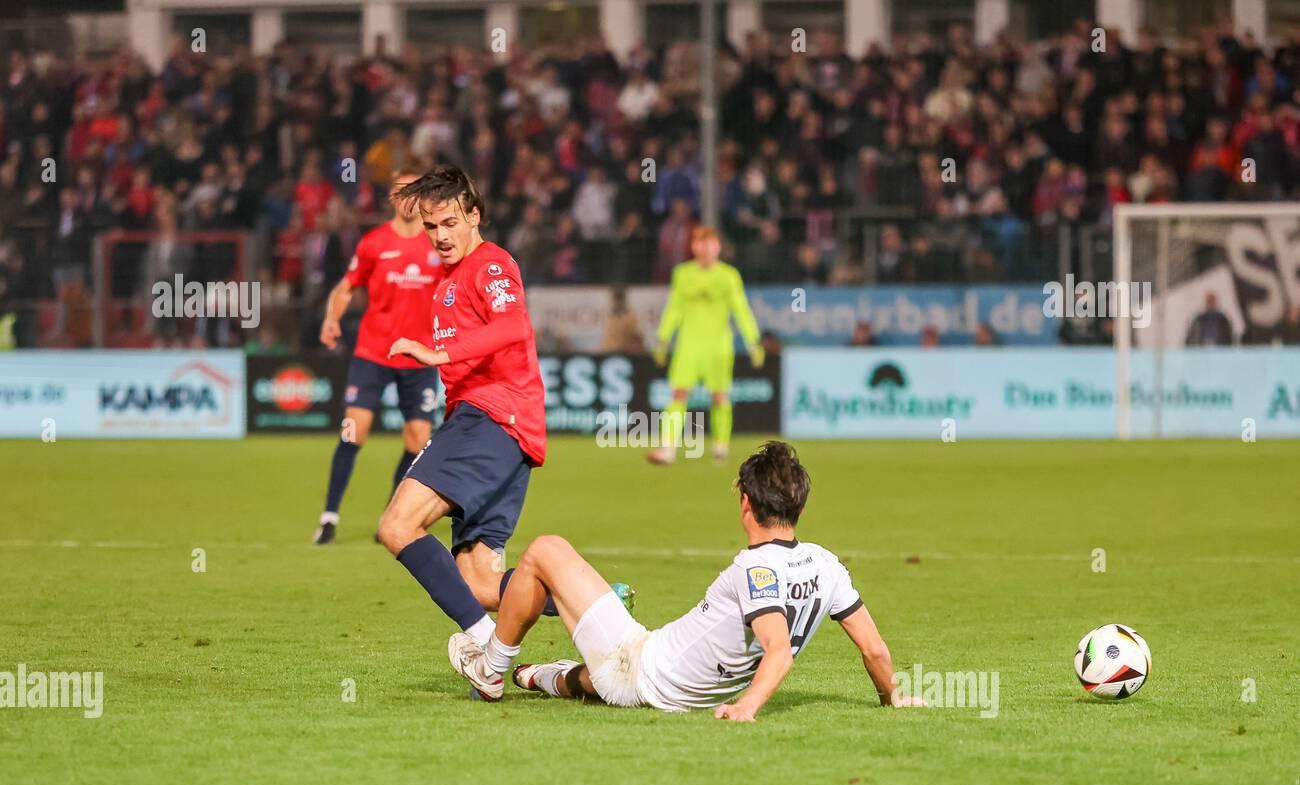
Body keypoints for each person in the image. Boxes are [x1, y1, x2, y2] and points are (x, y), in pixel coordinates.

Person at [447, 442, 923, 718]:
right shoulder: (828, 565)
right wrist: (891, 696)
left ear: (746, 505)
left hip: (640, 666)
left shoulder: (753, 570)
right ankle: (542, 675)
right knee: (591, 678)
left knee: (544, 551)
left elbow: (777, 649)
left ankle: (491, 670)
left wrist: (748, 707)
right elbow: (874, 650)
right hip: (664, 677)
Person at [378, 165, 631, 647]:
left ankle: (482, 647)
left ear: (474, 216)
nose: (440, 236)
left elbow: (514, 325)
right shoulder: (445, 285)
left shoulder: (490, 265)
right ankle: (600, 600)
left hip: (493, 418)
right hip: (498, 432)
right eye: (431, 227)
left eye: (450, 222)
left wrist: (439, 354)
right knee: (476, 584)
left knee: (397, 525)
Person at [312, 168, 441, 545]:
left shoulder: (438, 243)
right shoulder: (374, 243)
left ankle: (389, 518)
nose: (407, 198)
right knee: (355, 429)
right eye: (400, 192)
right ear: (392, 199)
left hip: (418, 358)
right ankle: (329, 517)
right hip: (373, 353)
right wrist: (331, 318)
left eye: (413, 191)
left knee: (418, 440)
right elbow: (346, 286)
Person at [648, 225, 764, 464]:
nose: (705, 248)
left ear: (718, 246)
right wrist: (662, 338)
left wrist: (753, 341)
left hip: (718, 347)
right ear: (694, 246)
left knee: (720, 397)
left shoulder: (728, 276)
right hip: (688, 345)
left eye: (710, 243)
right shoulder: (682, 273)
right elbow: (674, 308)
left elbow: (740, 309)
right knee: (678, 394)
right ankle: (668, 448)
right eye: (700, 243)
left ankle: (720, 447)